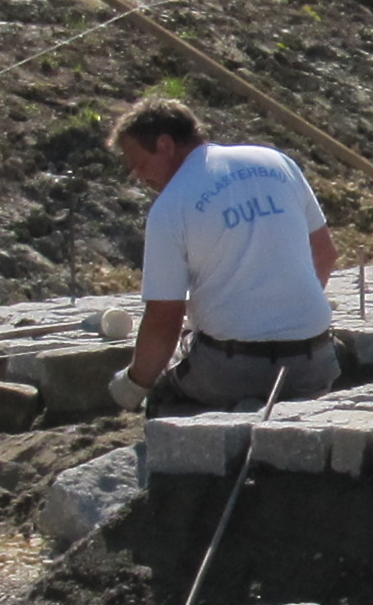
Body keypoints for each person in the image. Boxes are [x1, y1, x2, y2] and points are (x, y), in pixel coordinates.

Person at [106, 99, 341, 412]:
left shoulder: (171, 206)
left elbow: (165, 318)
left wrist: (135, 383)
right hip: (314, 362)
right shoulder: (275, 162)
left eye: (140, 164)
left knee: (165, 400)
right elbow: (324, 253)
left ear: (165, 145)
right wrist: (287, 316)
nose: (138, 176)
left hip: (232, 370)